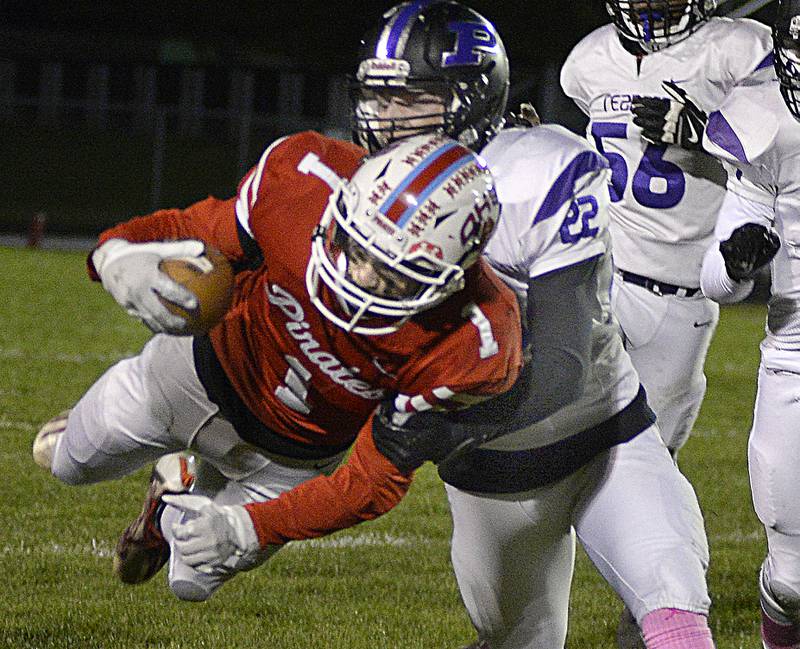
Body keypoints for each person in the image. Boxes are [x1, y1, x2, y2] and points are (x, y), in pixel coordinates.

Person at [161, 3, 717, 648]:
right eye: (380, 98)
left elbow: (564, 360)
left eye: (415, 98)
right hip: (493, 476)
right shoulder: (351, 183)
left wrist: (441, 422)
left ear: (473, 97)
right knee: (520, 640)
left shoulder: (540, 170)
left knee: (676, 609)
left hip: (605, 434)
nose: (389, 118)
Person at [32, 130, 523, 602]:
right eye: (353, 247)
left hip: (294, 458)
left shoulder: (476, 340)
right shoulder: (305, 178)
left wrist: (253, 526)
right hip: (192, 373)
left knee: (191, 580)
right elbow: (197, 230)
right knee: (66, 464)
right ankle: (155, 460)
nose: (358, 279)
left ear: (453, 278)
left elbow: (373, 481)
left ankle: (171, 500)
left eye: (396, 278)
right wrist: (115, 252)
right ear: (341, 208)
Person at [560, 1, 772, 461]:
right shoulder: (588, 61)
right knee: (556, 451)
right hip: (598, 276)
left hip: (681, 298)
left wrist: (705, 132)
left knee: (641, 466)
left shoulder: (738, 50)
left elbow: (782, 150)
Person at [697, 3, 800, 646]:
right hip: (798, 349)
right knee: (792, 582)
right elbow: (715, 276)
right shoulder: (767, 124)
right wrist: (737, 263)